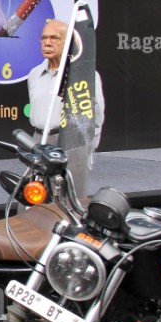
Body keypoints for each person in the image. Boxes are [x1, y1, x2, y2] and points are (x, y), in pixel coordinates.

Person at [27, 19, 104, 197]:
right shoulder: (34, 75)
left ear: (68, 42)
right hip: (40, 141)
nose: (47, 42)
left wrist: (89, 147)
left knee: (71, 198)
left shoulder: (84, 76)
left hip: (73, 140)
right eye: (43, 38)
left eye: (54, 38)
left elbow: (96, 114)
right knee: (34, 198)